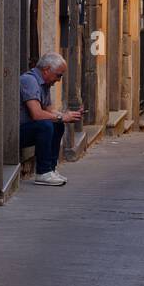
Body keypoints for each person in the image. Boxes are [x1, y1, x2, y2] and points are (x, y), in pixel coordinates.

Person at [20, 53, 83, 186]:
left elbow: (50, 110)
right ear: (47, 69)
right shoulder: (30, 80)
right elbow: (36, 114)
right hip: (19, 131)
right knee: (46, 125)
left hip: (30, 129)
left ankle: (50, 170)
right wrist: (61, 117)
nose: (59, 80)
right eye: (58, 75)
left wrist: (67, 115)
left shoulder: (44, 84)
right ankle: (42, 172)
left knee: (57, 124)